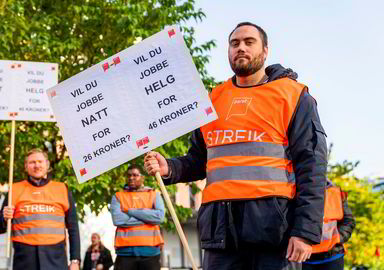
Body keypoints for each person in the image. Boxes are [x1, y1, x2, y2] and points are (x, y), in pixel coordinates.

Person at [144, 21, 328, 270]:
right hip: (221, 233)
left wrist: (305, 231)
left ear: (265, 51)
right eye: (234, 43)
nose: (241, 48)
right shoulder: (212, 100)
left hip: (274, 233)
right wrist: (170, 168)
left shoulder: (293, 96)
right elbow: (199, 160)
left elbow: (312, 167)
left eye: (249, 42)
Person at [0, 148, 80, 270]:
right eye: (32, 162)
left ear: (47, 165)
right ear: (26, 166)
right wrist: (4, 218)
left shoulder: (62, 189)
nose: (37, 165)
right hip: (24, 261)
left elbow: (73, 228)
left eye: (40, 161)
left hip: (55, 260)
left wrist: (75, 260)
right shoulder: (15, 190)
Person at [111, 164, 165, 270]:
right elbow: (118, 219)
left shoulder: (154, 194)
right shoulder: (118, 196)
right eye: (129, 175)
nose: (131, 178)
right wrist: (147, 218)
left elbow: (159, 217)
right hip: (125, 254)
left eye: (135, 175)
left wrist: (130, 211)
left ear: (142, 177)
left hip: (150, 253)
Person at [303, 181, 355, 270]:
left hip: (332, 257)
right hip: (302, 258)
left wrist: (338, 238)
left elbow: (349, 221)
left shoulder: (335, 191)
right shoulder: (297, 189)